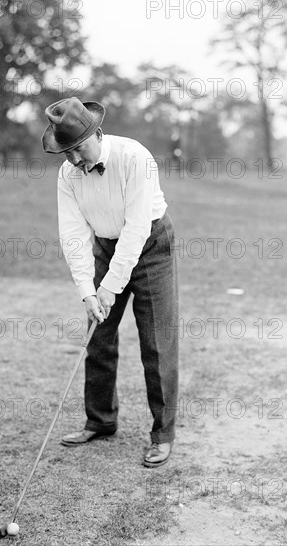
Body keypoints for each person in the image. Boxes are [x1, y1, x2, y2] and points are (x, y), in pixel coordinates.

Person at [42, 96, 179, 468]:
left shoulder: (135, 157)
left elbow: (136, 229)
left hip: (151, 244)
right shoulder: (67, 175)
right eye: (66, 152)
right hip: (105, 245)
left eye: (79, 148)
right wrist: (88, 290)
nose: (74, 160)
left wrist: (110, 286)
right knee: (98, 335)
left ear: (97, 133)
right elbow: (72, 235)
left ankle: (162, 434)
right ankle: (100, 421)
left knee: (157, 341)